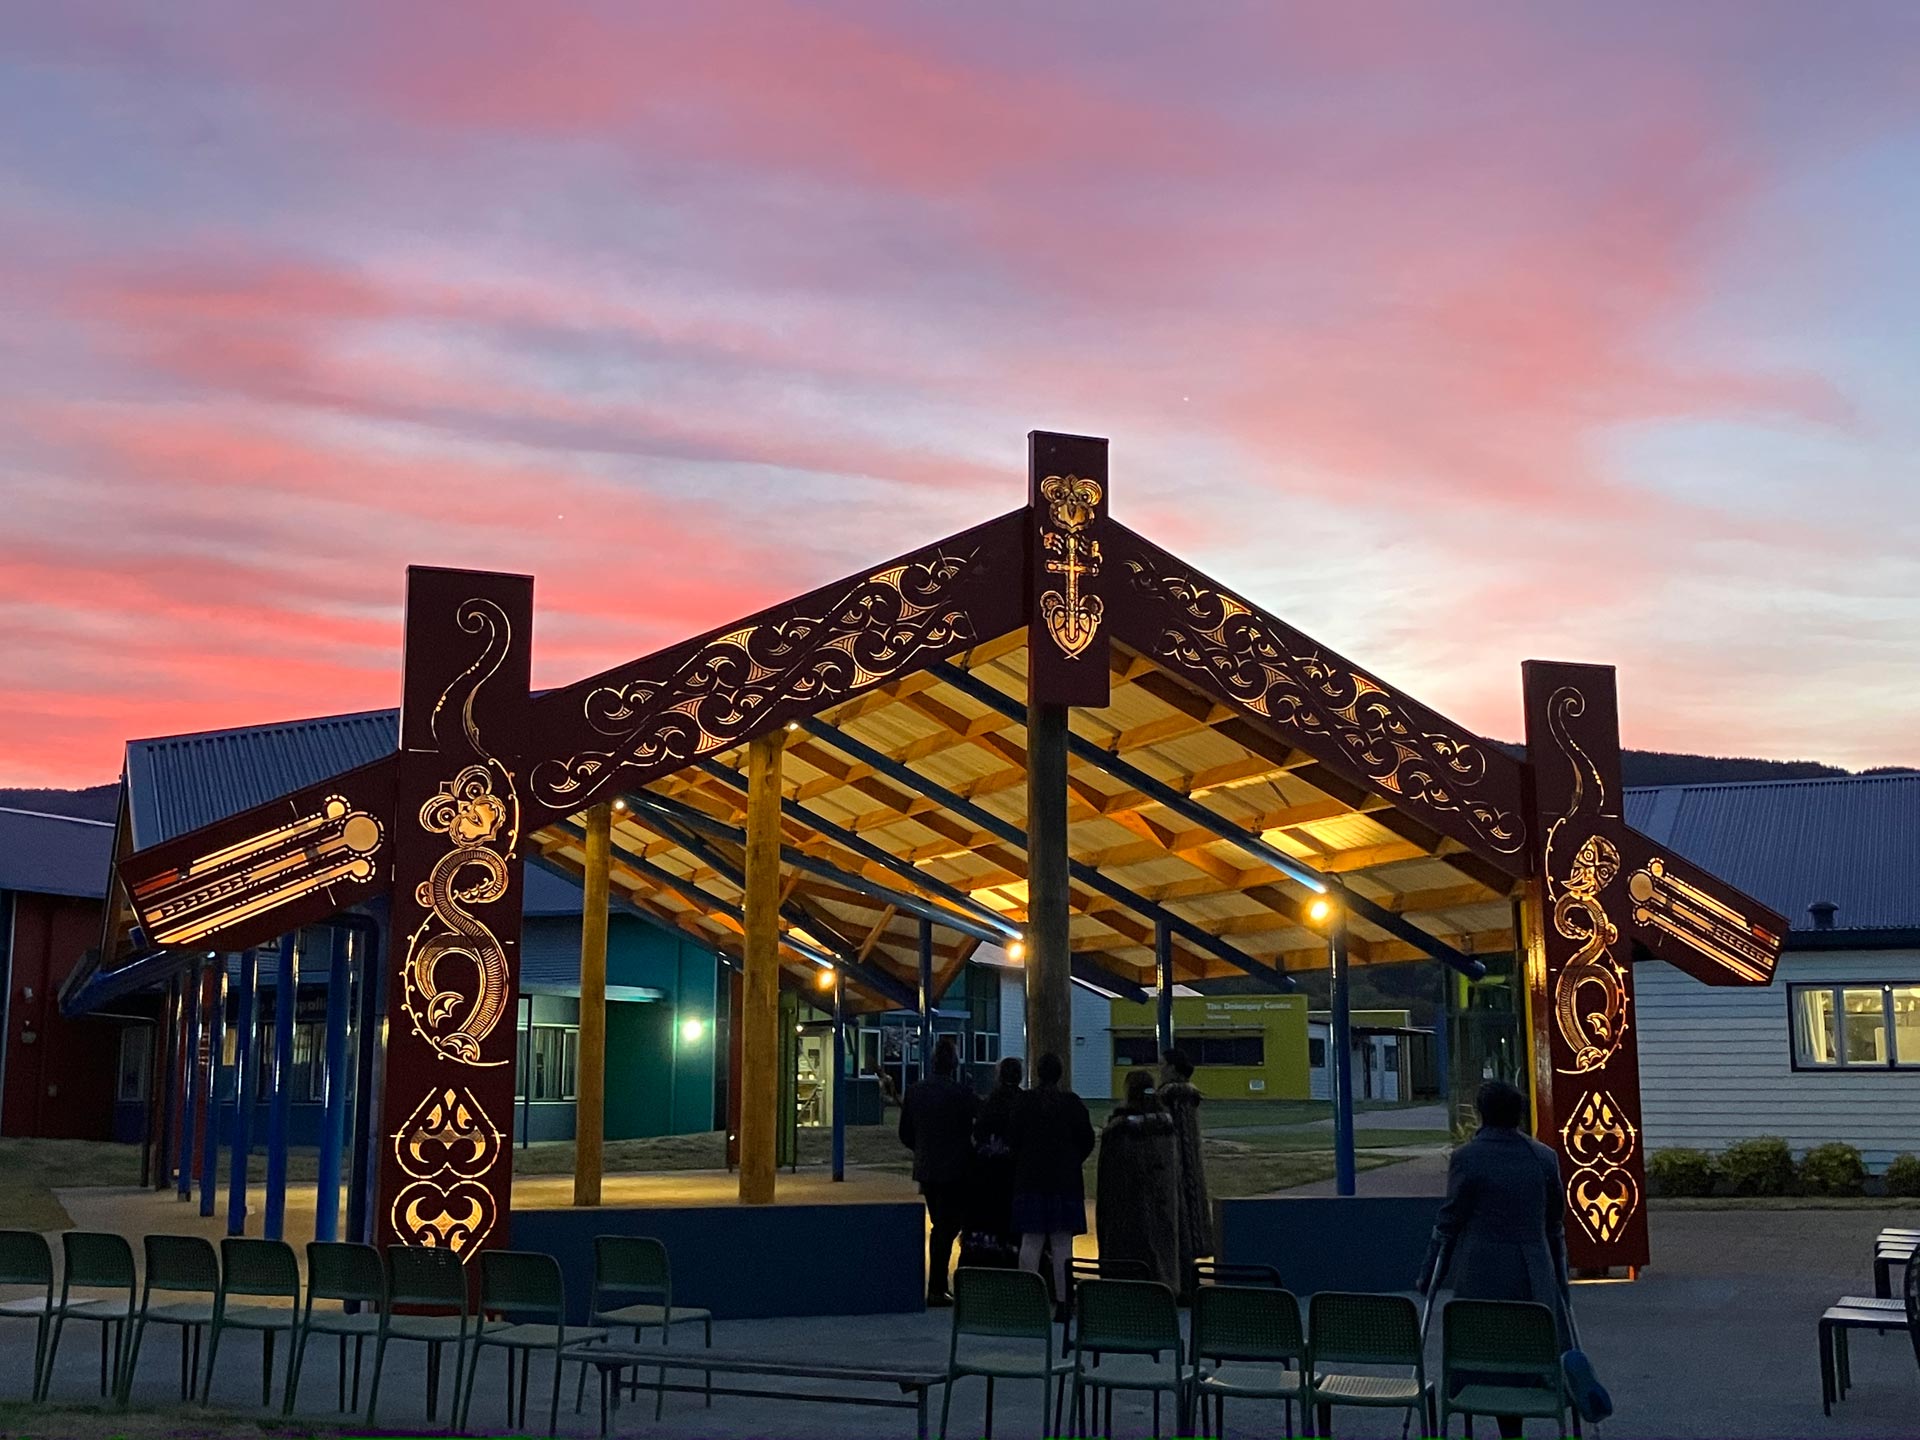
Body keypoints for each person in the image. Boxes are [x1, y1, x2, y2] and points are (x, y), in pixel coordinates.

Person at [1417, 1079, 1571, 1439]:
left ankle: (1492, 1419)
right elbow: (1555, 1225)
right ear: (1518, 1115)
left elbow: (1449, 1221)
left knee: (1484, 1348)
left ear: (1482, 1114)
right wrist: (1561, 1283)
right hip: (1534, 1272)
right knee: (1529, 1349)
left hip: (1480, 1271)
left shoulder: (1467, 1158)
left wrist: (1429, 1275)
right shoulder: (1544, 1158)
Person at [1008, 1051, 1096, 1318]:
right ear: (1060, 1073)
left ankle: (1027, 1302)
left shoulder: (1024, 1103)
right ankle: (1063, 1300)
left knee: (1031, 1241)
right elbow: (1087, 1140)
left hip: (1030, 1179)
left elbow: (1012, 1139)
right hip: (1064, 1181)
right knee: (1061, 1244)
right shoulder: (1072, 1104)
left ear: (1036, 1073)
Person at [898, 1037, 980, 1306]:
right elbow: (976, 1128)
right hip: (956, 1170)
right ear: (953, 1064)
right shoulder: (961, 1093)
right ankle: (938, 1286)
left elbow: (905, 1134)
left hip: (928, 1169)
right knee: (949, 1226)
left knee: (940, 1225)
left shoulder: (915, 1091)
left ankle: (938, 1285)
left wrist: (923, 1149)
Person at [1095, 1068, 1181, 1293]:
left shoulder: (1120, 1127)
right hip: (1161, 1201)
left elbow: (1109, 1171)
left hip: (1126, 1205)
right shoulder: (1166, 1126)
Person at [962, 1056, 1025, 1268]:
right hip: (1015, 1176)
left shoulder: (988, 1103)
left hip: (987, 1176)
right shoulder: (1024, 1103)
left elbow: (977, 1135)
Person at [1159, 1047, 1213, 1289]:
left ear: (1172, 1068)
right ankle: (1190, 1276)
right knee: (1191, 1219)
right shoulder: (1190, 1099)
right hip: (1191, 1165)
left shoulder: (1169, 1097)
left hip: (1173, 1167)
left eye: (1163, 1064)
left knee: (1176, 1221)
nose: (1159, 1069)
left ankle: (1179, 1280)